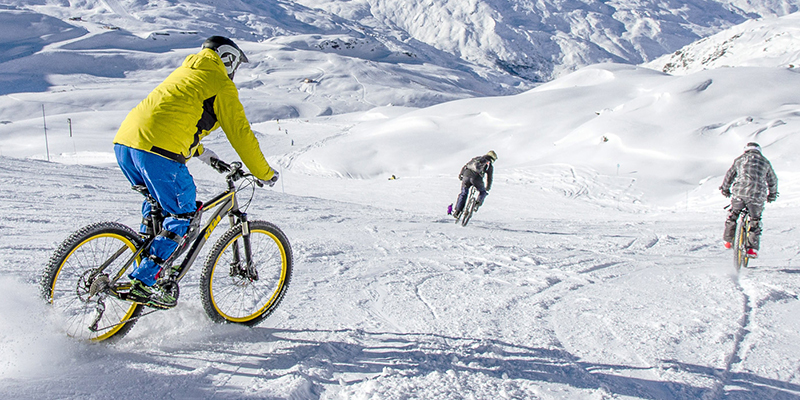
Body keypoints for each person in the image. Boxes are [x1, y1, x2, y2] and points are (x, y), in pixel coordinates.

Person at [113, 36, 279, 308]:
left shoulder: (186, 72)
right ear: (228, 59)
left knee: (158, 207)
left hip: (126, 145)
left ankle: (149, 261)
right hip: (158, 152)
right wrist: (263, 172)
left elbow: (175, 118)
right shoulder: (221, 84)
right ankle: (143, 281)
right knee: (184, 215)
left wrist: (206, 155)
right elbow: (241, 134)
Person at [720, 142, 778, 258]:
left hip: (740, 193)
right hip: (757, 195)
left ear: (746, 150)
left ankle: (728, 240)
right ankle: (752, 249)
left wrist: (725, 188)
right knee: (755, 220)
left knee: (733, 214)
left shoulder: (740, 160)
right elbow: (773, 180)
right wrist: (772, 194)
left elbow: (729, 175)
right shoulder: (765, 162)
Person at [451, 151, 496, 218]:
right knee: (483, 192)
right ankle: (477, 204)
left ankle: (457, 211)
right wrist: (487, 187)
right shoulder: (489, 164)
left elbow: (466, 166)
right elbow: (489, 178)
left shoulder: (476, 158)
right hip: (476, 179)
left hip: (466, 176)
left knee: (463, 193)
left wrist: (461, 174)